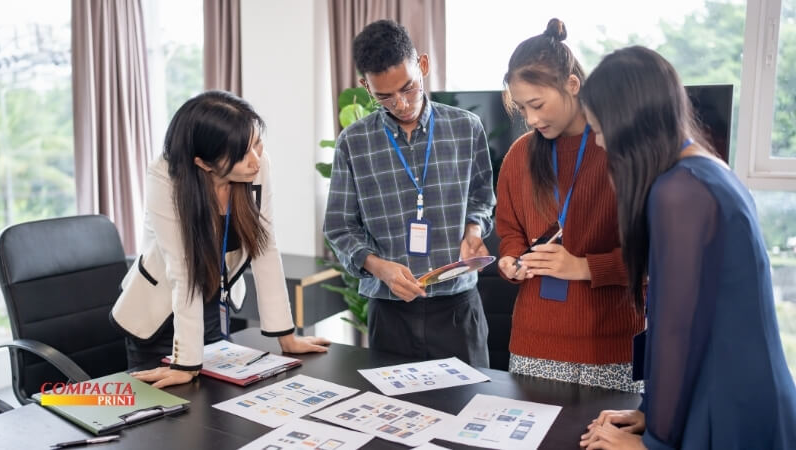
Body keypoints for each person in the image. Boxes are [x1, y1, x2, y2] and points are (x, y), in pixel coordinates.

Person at [578, 46, 796, 449]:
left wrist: (653, 442)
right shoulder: (700, 170)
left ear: (630, 124)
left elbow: (677, 331)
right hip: (728, 391)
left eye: (600, 128)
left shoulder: (679, 191)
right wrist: (649, 412)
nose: (600, 142)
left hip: (731, 405)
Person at [110, 90, 330, 388]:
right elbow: (182, 269)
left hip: (213, 304)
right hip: (159, 317)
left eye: (257, 144)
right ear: (203, 163)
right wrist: (185, 363)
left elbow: (265, 247)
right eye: (243, 153)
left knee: (215, 407)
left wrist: (286, 336)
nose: (256, 160)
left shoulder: (257, 165)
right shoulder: (164, 176)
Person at [323, 20, 495, 367]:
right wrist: (377, 266)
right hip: (390, 313)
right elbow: (340, 227)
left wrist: (474, 230)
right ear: (365, 87)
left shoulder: (466, 128)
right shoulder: (353, 143)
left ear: (424, 66)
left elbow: (481, 198)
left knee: (471, 412)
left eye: (409, 88)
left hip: (458, 308)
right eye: (383, 96)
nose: (400, 104)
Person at [495, 19, 644, 392]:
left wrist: (583, 267)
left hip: (611, 347)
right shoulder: (519, 155)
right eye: (522, 108)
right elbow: (509, 228)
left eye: (537, 104)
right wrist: (510, 260)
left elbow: (652, 257)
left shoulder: (619, 150)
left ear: (572, 86)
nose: (530, 119)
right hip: (533, 343)